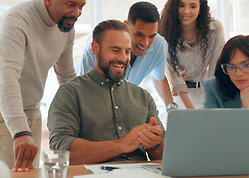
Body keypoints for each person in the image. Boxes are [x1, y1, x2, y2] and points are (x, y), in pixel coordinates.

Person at [0, 0, 86, 172]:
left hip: (31, 110)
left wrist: (82, 115)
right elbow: (6, 78)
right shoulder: (17, 21)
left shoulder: (66, 28)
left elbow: (67, 77)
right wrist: (20, 133)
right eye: (71, 5)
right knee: (16, 174)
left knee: (30, 173)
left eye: (81, 7)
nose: (76, 13)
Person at [48, 20, 165, 164]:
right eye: (115, 50)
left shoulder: (143, 97)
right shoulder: (70, 93)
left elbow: (163, 155)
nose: (123, 58)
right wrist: (123, 144)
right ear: (95, 48)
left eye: (127, 52)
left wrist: (155, 143)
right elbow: (61, 151)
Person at [76, 1, 177, 112]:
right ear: (126, 25)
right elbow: (83, 91)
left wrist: (171, 108)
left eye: (152, 36)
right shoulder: (98, 47)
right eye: (139, 34)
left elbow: (159, 78)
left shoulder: (159, 45)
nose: (145, 43)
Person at [159, 0, 225, 109]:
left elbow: (215, 69)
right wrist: (190, 110)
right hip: (178, 98)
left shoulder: (215, 30)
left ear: (200, 9)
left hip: (206, 94)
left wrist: (213, 102)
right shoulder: (164, 33)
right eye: (181, 5)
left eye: (193, 6)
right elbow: (173, 75)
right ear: (174, 7)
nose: (186, 11)